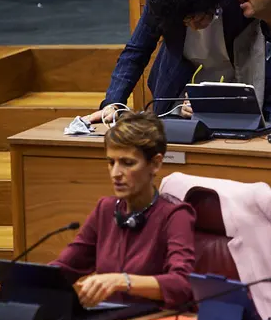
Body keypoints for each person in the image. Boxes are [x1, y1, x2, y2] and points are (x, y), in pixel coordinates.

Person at [50, 112, 196, 308]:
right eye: (111, 162)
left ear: (155, 163)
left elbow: (183, 284)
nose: (116, 173)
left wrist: (122, 281)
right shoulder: (105, 209)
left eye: (128, 163)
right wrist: (24, 281)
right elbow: (66, 266)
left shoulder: (175, 215)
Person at [87, 0, 251, 123]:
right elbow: (136, 52)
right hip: (178, 89)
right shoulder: (162, 1)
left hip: (233, 84)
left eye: (198, 17)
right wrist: (113, 102)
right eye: (186, 21)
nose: (194, 26)